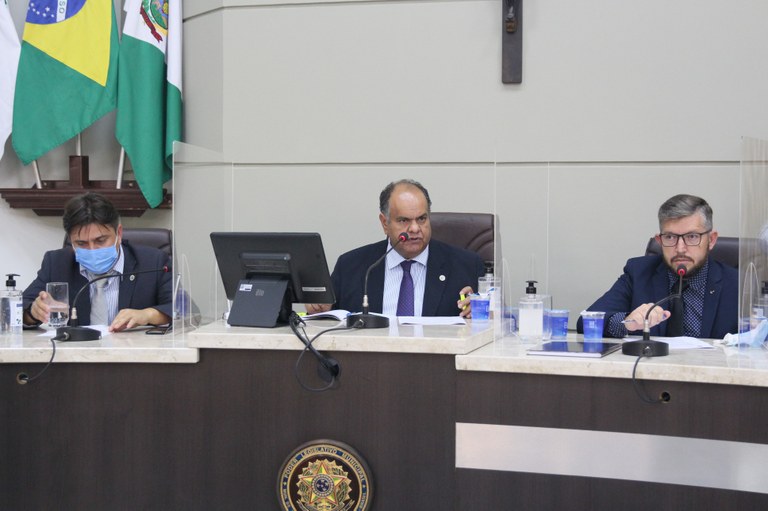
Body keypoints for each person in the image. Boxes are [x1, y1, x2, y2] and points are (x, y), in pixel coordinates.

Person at [307, 179, 485, 317]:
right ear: (385, 223)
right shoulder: (350, 267)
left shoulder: (466, 266)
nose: (414, 228)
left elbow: (491, 326)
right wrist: (319, 311)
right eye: (404, 220)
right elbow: (327, 323)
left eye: (421, 219)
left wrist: (481, 312)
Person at [580, 194, 738, 339]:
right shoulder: (638, 273)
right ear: (659, 240)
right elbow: (587, 321)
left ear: (711, 240)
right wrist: (628, 322)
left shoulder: (738, 284)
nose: (680, 249)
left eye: (692, 236)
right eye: (670, 237)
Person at [23, 192, 173, 332]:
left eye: (100, 240)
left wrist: (147, 315)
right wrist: (32, 313)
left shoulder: (153, 262)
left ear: (118, 233)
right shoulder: (57, 263)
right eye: (81, 243)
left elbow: (181, 307)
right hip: (76, 350)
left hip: (133, 350)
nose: (92, 249)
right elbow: (19, 308)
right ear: (71, 240)